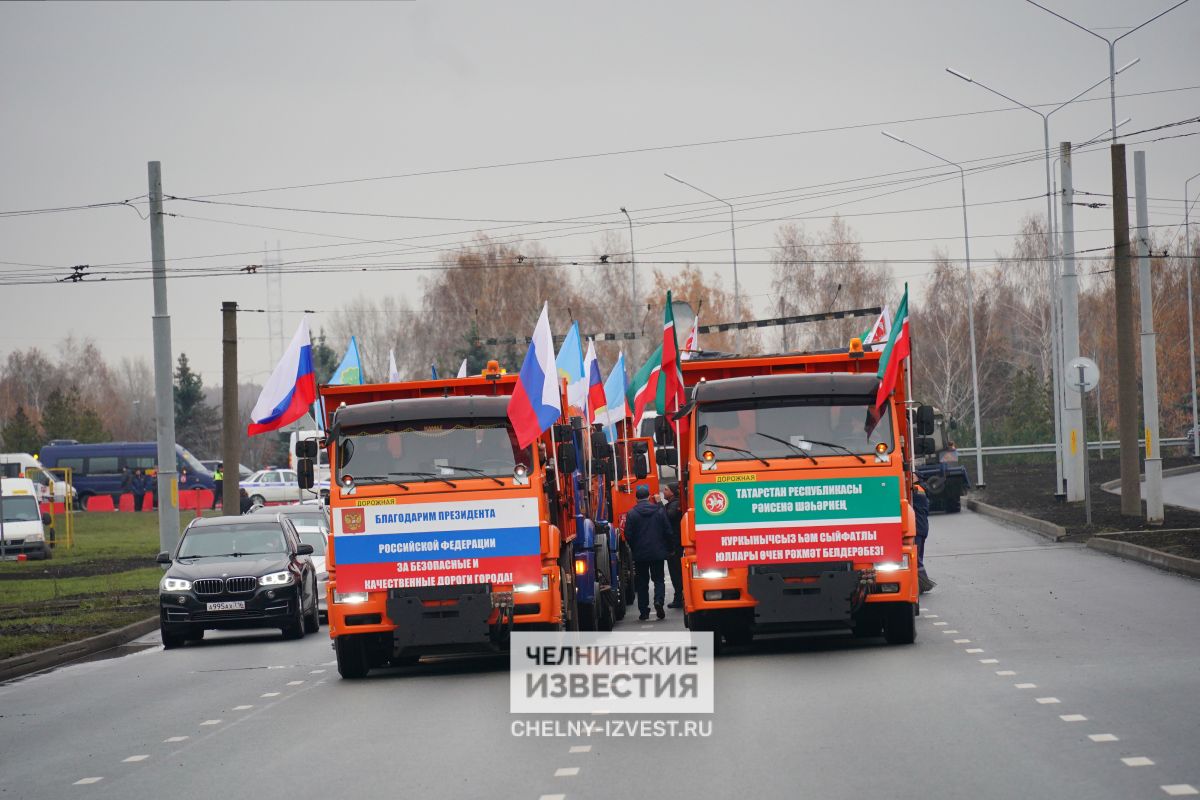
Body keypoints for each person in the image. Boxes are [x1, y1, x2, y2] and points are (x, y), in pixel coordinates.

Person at [624, 484, 672, 621]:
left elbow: (628, 534)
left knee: (642, 583)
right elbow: (668, 530)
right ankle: (658, 601)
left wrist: (634, 548)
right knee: (658, 579)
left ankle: (644, 611)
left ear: (636, 498)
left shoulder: (632, 513)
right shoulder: (658, 511)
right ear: (648, 496)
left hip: (640, 554)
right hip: (657, 552)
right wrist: (668, 548)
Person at [662, 482, 684, 609]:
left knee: (676, 572)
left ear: (673, 492)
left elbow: (667, 517)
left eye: (666, 489)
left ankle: (679, 598)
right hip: (674, 543)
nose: (663, 491)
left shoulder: (675, 504)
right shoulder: (672, 504)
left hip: (676, 544)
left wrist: (659, 504)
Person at [913, 480, 935, 593]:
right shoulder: (923, 491)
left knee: (916, 558)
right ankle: (921, 583)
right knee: (918, 556)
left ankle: (923, 582)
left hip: (917, 528)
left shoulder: (916, 491)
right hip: (922, 528)